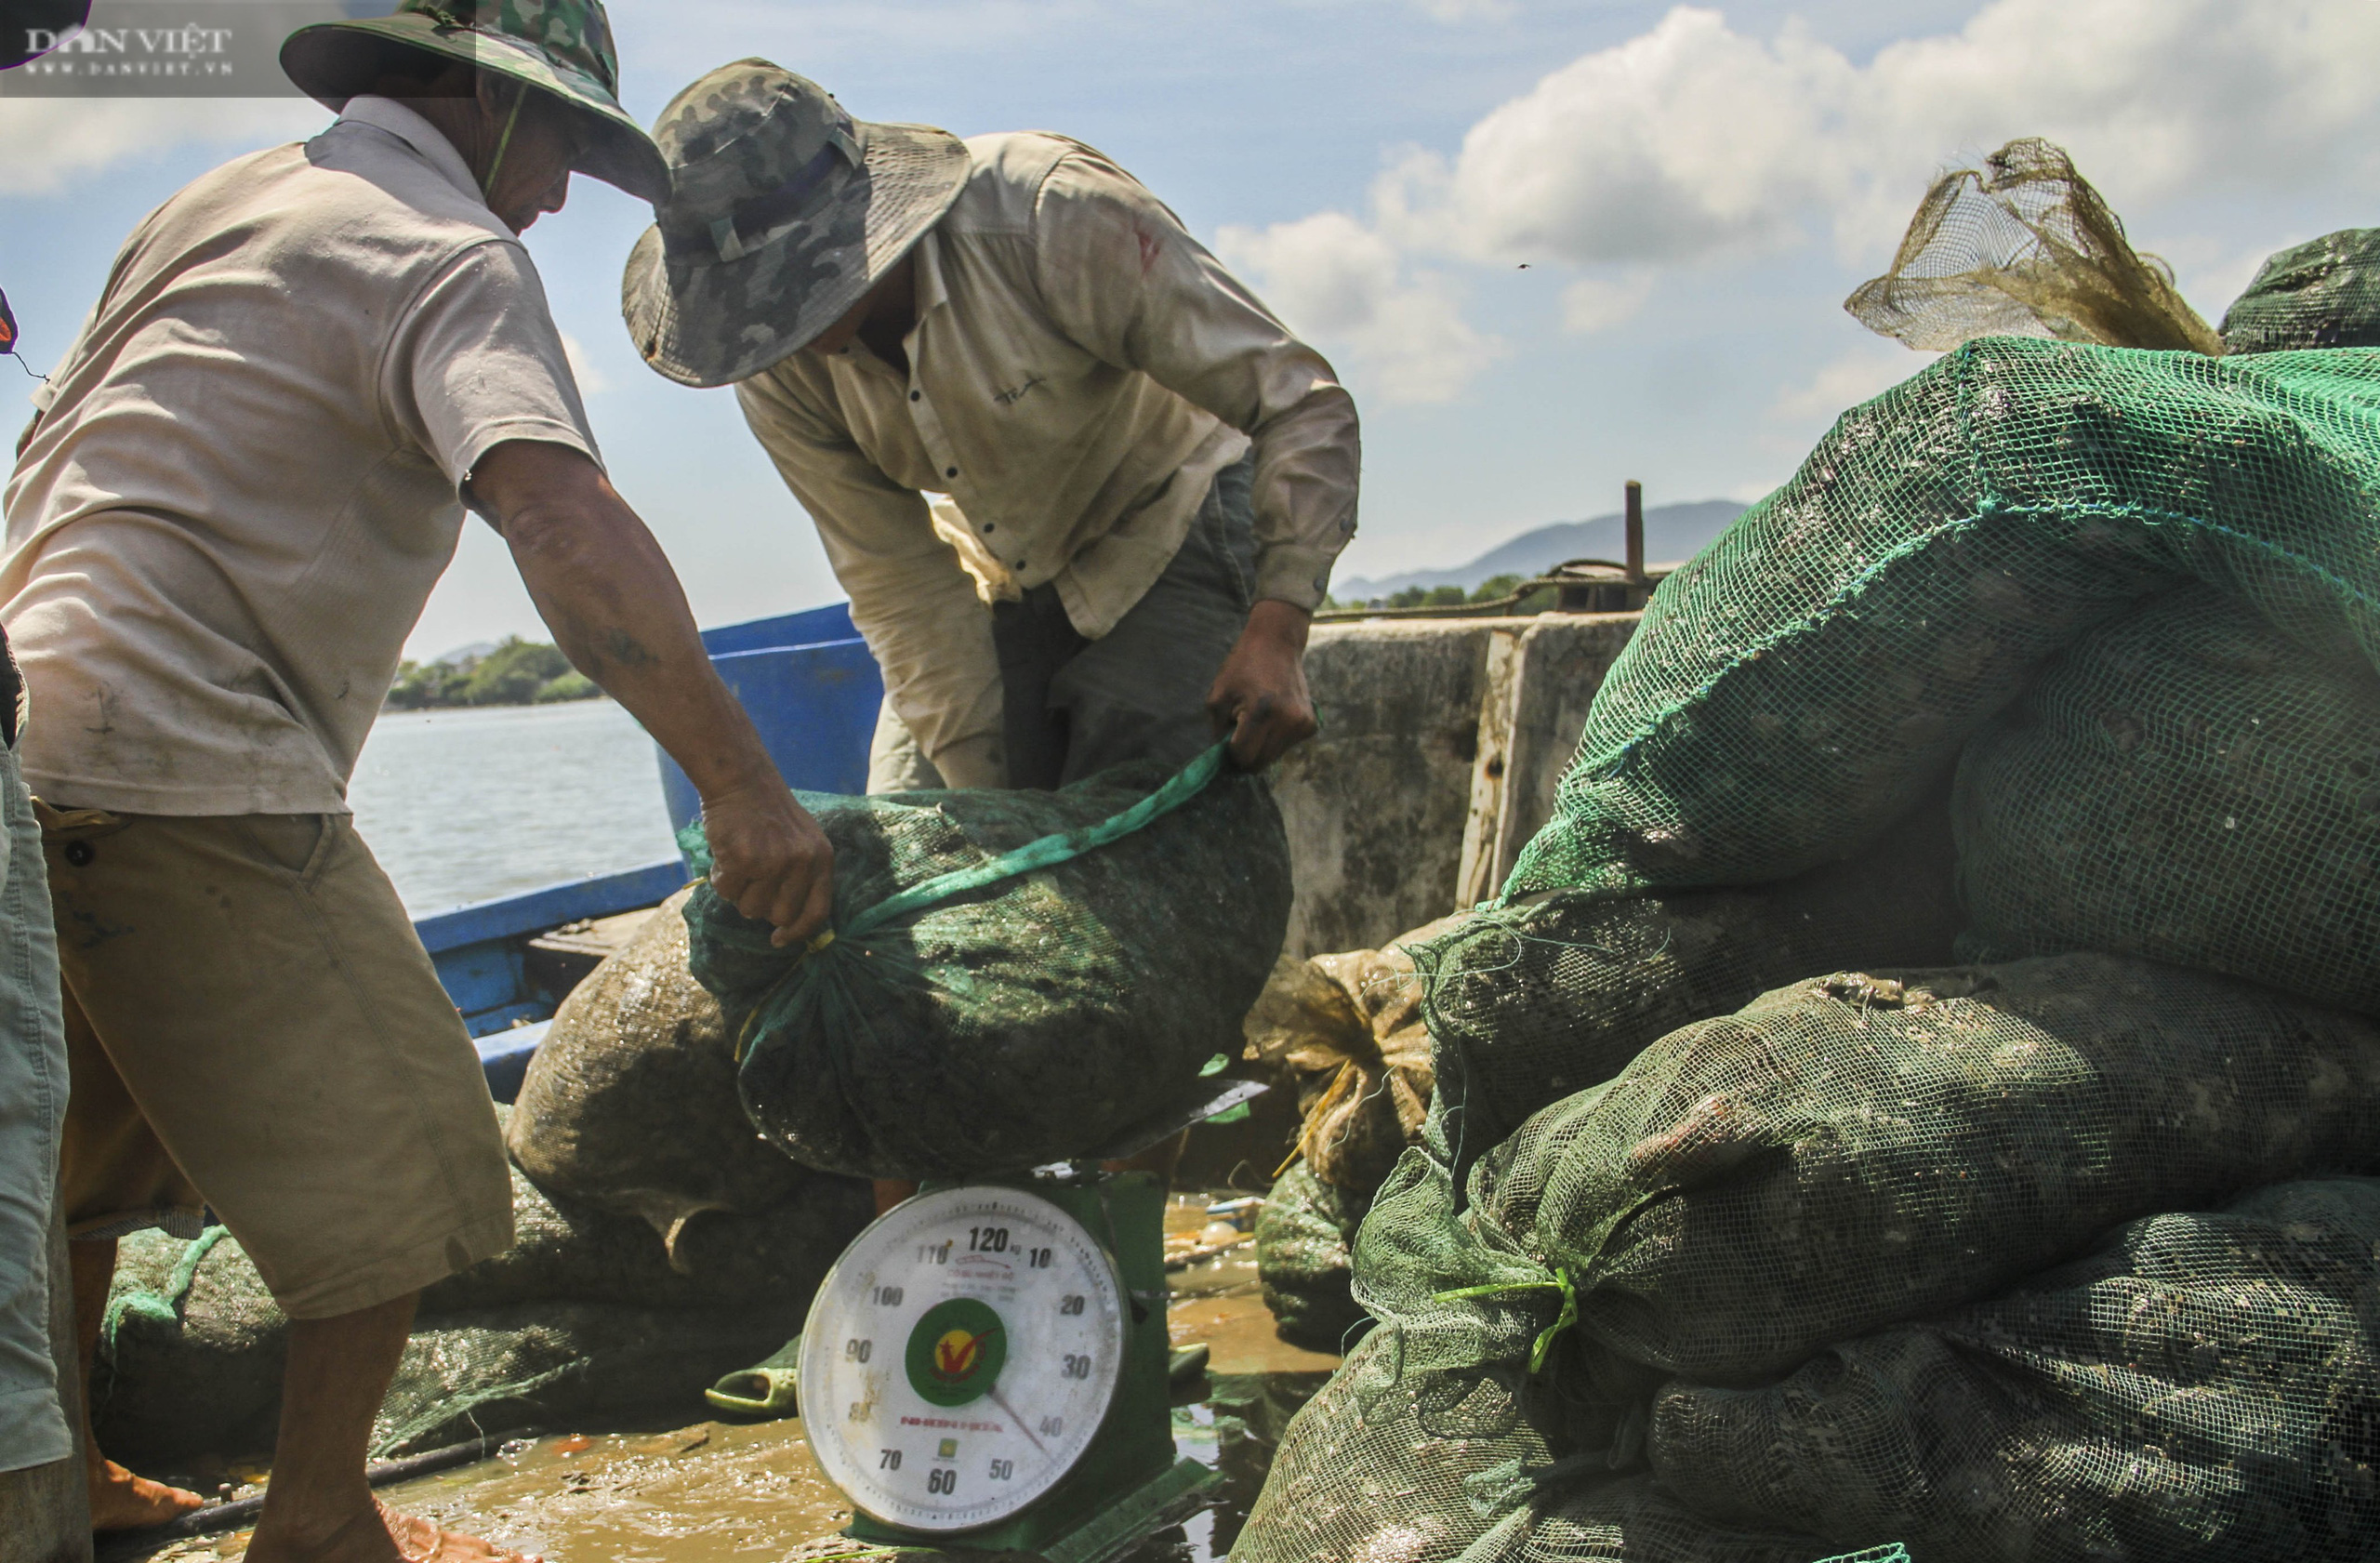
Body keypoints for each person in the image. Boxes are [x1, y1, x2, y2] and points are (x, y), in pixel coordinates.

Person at [2, 3, 833, 1556]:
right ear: (477, 99)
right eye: (564, 148)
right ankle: (320, 1516)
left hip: (22, 732)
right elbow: (565, 529)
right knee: (419, 1149)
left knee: (76, 1140)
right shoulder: (447, 245)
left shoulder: (216, 199)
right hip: (192, 755)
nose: (560, 195)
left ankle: (77, 1464)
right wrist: (742, 787)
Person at [620, 61, 1361, 799]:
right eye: (753, 306)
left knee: (1138, 817)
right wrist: (986, 813)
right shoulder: (771, 362)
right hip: (991, 568)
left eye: (789, 291)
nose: (779, 326)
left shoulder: (1046, 214)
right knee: (921, 840)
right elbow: (896, 582)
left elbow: (1300, 401)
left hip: (1167, 516)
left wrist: (1280, 625)